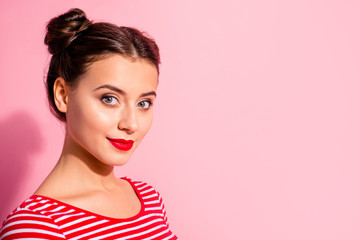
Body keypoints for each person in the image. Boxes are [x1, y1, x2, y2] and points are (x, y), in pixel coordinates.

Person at [0, 8, 177, 240]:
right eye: (109, 99)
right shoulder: (35, 228)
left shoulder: (148, 198)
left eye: (143, 103)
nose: (131, 124)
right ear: (63, 95)